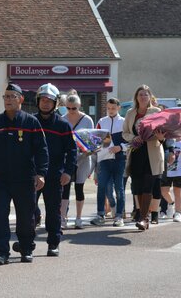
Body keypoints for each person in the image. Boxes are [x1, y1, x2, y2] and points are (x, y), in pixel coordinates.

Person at [0, 84, 48, 265]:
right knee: (1, 215)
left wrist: (41, 173)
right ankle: (1, 253)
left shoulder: (31, 122)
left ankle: (26, 248)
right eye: (6, 97)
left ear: (21, 99)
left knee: (25, 215)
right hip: (1, 179)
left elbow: (41, 150)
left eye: (12, 96)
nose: (8, 100)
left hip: (24, 179)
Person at [13, 83, 76, 257]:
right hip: (32, 175)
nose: (46, 104)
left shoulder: (63, 125)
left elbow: (72, 151)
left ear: (55, 103)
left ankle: (53, 243)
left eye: (49, 101)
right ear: (37, 101)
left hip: (55, 175)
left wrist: (68, 172)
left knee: (53, 211)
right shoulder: (30, 122)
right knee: (28, 210)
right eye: (43, 100)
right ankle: (27, 243)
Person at [122, 85, 165, 231]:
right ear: (136, 97)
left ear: (150, 97)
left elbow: (163, 133)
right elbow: (125, 133)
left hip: (152, 152)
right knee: (137, 186)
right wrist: (134, 137)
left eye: (146, 95)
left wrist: (161, 138)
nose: (143, 97)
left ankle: (144, 218)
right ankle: (141, 215)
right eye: (140, 94)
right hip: (136, 152)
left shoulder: (156, 111)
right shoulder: (130, 113)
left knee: (148, 185)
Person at [90, 98, 127, 227]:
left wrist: (120, 147)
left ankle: (119, 216)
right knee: (101, 187)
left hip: (119, 160)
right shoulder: (101, 122)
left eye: (113, 108)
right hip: (104, 160)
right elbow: (95, 141)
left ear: (119, 108)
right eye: (109, 108)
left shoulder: (124, 122)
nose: (111, 111)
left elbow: (131, 142)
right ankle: (100, 214)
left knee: (119, 188)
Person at [61, 94, 94, 229]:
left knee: (79, 187)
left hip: (83, 158)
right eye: (68, 108)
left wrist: (88, 150)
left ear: (79, 106)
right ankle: (63, 218)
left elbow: (92, 141)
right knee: (65, 188)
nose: (71, 111)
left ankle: (79, 218)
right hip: (67, 158)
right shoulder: (62, 119)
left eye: (74, 108)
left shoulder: (87, 120)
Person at [161, 139, 181, 222]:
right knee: (164, 191)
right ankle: (171, 203)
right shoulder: (167, 140)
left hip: (179, 171)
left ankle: (178, 213)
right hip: (166, 171)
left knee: (178, 192)